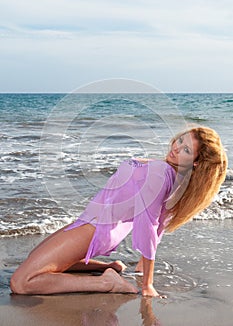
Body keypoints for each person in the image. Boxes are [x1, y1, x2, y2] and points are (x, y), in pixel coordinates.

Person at [10, 125, 227, 297]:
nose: (177, 147)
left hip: (95, 228)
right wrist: (141, 265)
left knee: (21, 282)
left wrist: (147, 284)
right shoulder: (170, 173)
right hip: (93, 223)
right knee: (35, 260)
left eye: (187, 150)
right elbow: (161, 217)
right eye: (181, 140)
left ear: (197, 163)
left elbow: (150, 224)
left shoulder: (162, 173)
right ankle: (111, 267)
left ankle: (106, 282)